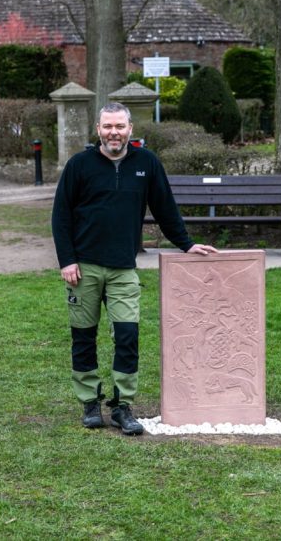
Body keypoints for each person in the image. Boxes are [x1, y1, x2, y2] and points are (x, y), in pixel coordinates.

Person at [51, 102, 217, 435]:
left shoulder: (147, 164)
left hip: (123, 268)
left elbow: (165, 208)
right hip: (83, 267)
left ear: (130, 129)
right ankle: (89, 403)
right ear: (98, 129)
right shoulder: (79, 165)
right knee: (83, 336)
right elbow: (61, 215)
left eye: (120, 126)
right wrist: (67, 259)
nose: (114, 132)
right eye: (108, 126)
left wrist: (185, 243)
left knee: (127, 335)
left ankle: (122, 406)